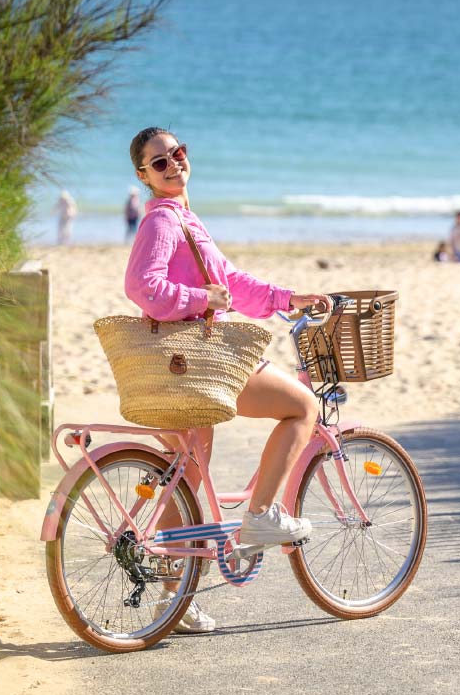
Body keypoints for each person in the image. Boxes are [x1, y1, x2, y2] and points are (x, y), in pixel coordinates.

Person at [124, 126, 327, 633]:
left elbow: (233, 284)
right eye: (160, 163)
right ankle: (261, 514)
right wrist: (201, 301)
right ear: (143, 176)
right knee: (303, 407)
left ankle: (174, 602)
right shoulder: (164, 222)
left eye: (178, 154)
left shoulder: (186, 221)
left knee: (185, 477)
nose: (173, 165)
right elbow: (142, 287)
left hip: (173, 365)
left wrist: (288, 298)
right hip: (199, 359)